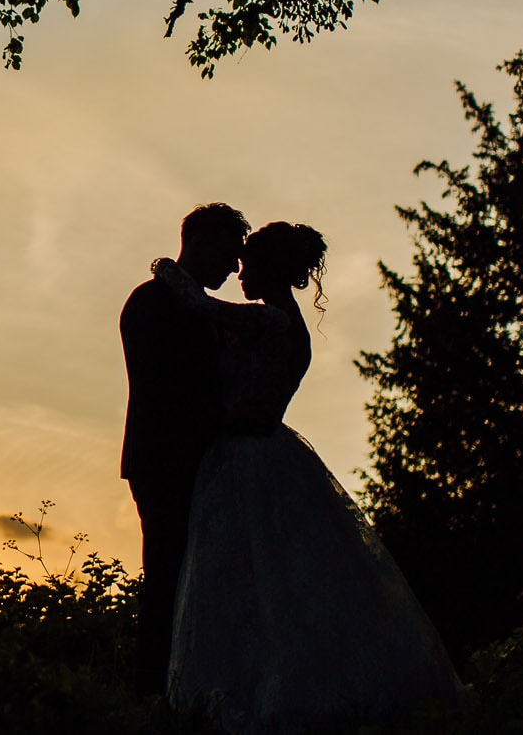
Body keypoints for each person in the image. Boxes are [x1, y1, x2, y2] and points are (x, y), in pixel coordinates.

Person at [159, 222, 463, 733]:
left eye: (246, 262)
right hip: (253, 456)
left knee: (261, 578)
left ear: (269, 269)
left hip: (250, 461)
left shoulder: (272, 322)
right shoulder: (280, 323)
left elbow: (198, 304)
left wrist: (167, 266)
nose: (238, 272)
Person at [119, 202, 250, 698]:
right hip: (164, 461)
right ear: (197, 240)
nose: (234, 267)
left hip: (205, 460)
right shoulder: (152, 303)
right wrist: (222, 420)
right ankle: (151, 693)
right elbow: (159, 390)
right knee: (167, 578)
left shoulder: (202, 309)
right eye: (228, 251)